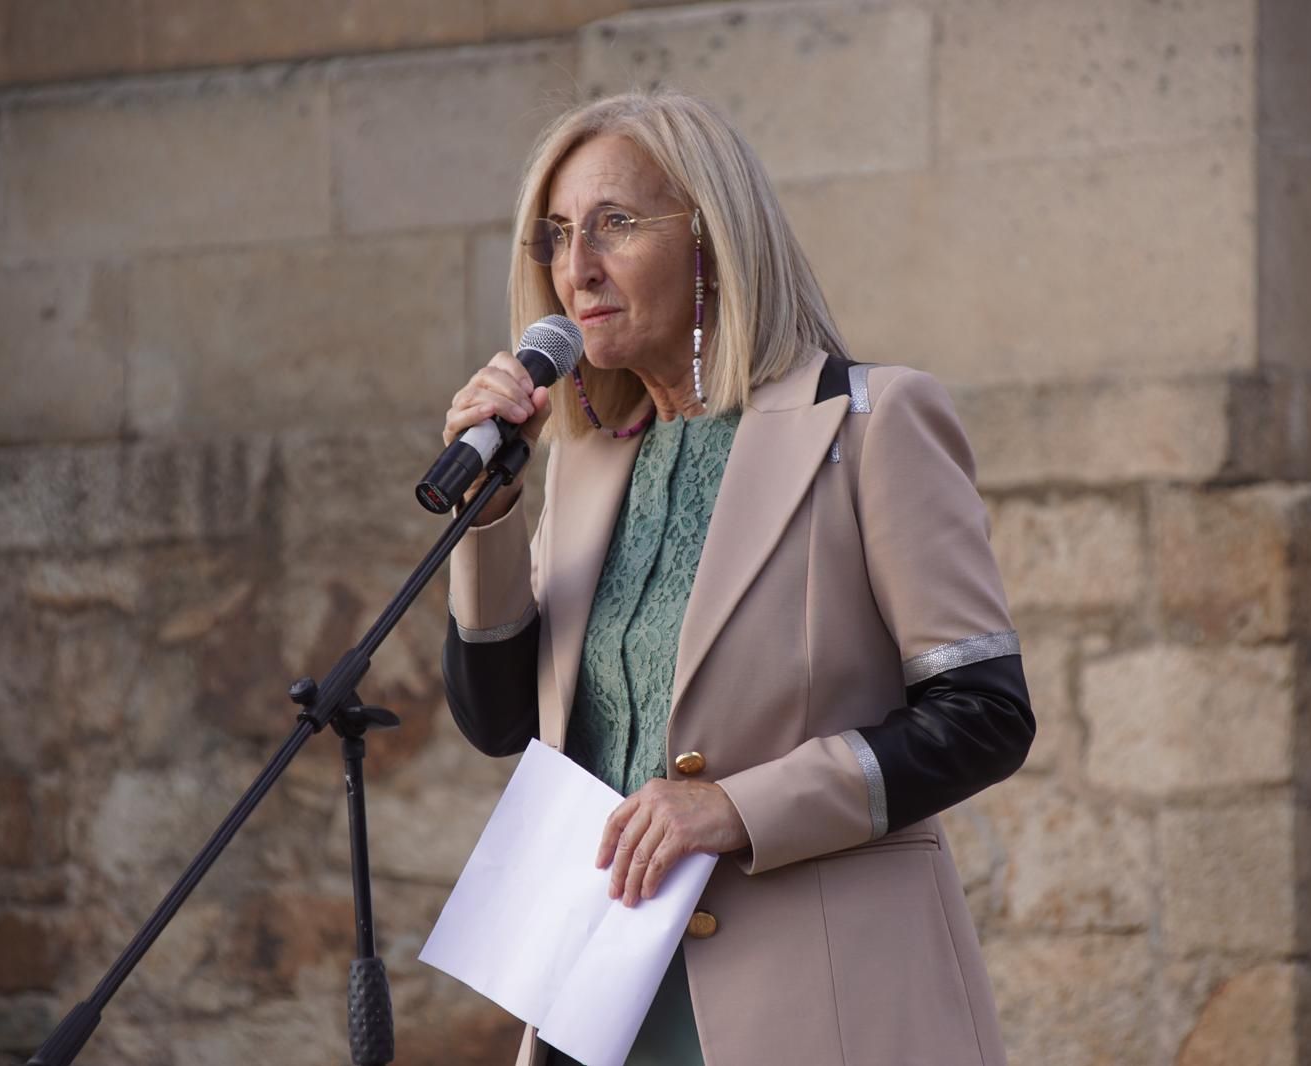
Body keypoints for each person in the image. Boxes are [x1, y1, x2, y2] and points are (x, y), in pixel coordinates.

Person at [439, 90, 1035, 1066]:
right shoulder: (588, 464)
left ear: (710, 238)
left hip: (823, 1007)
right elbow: (499, 721)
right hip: (598, 1006)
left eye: (614, 225)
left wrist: (735, 807)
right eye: (554, 236)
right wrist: (490, 511)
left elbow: (982, 713)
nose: (574, 267)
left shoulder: (870, 424)